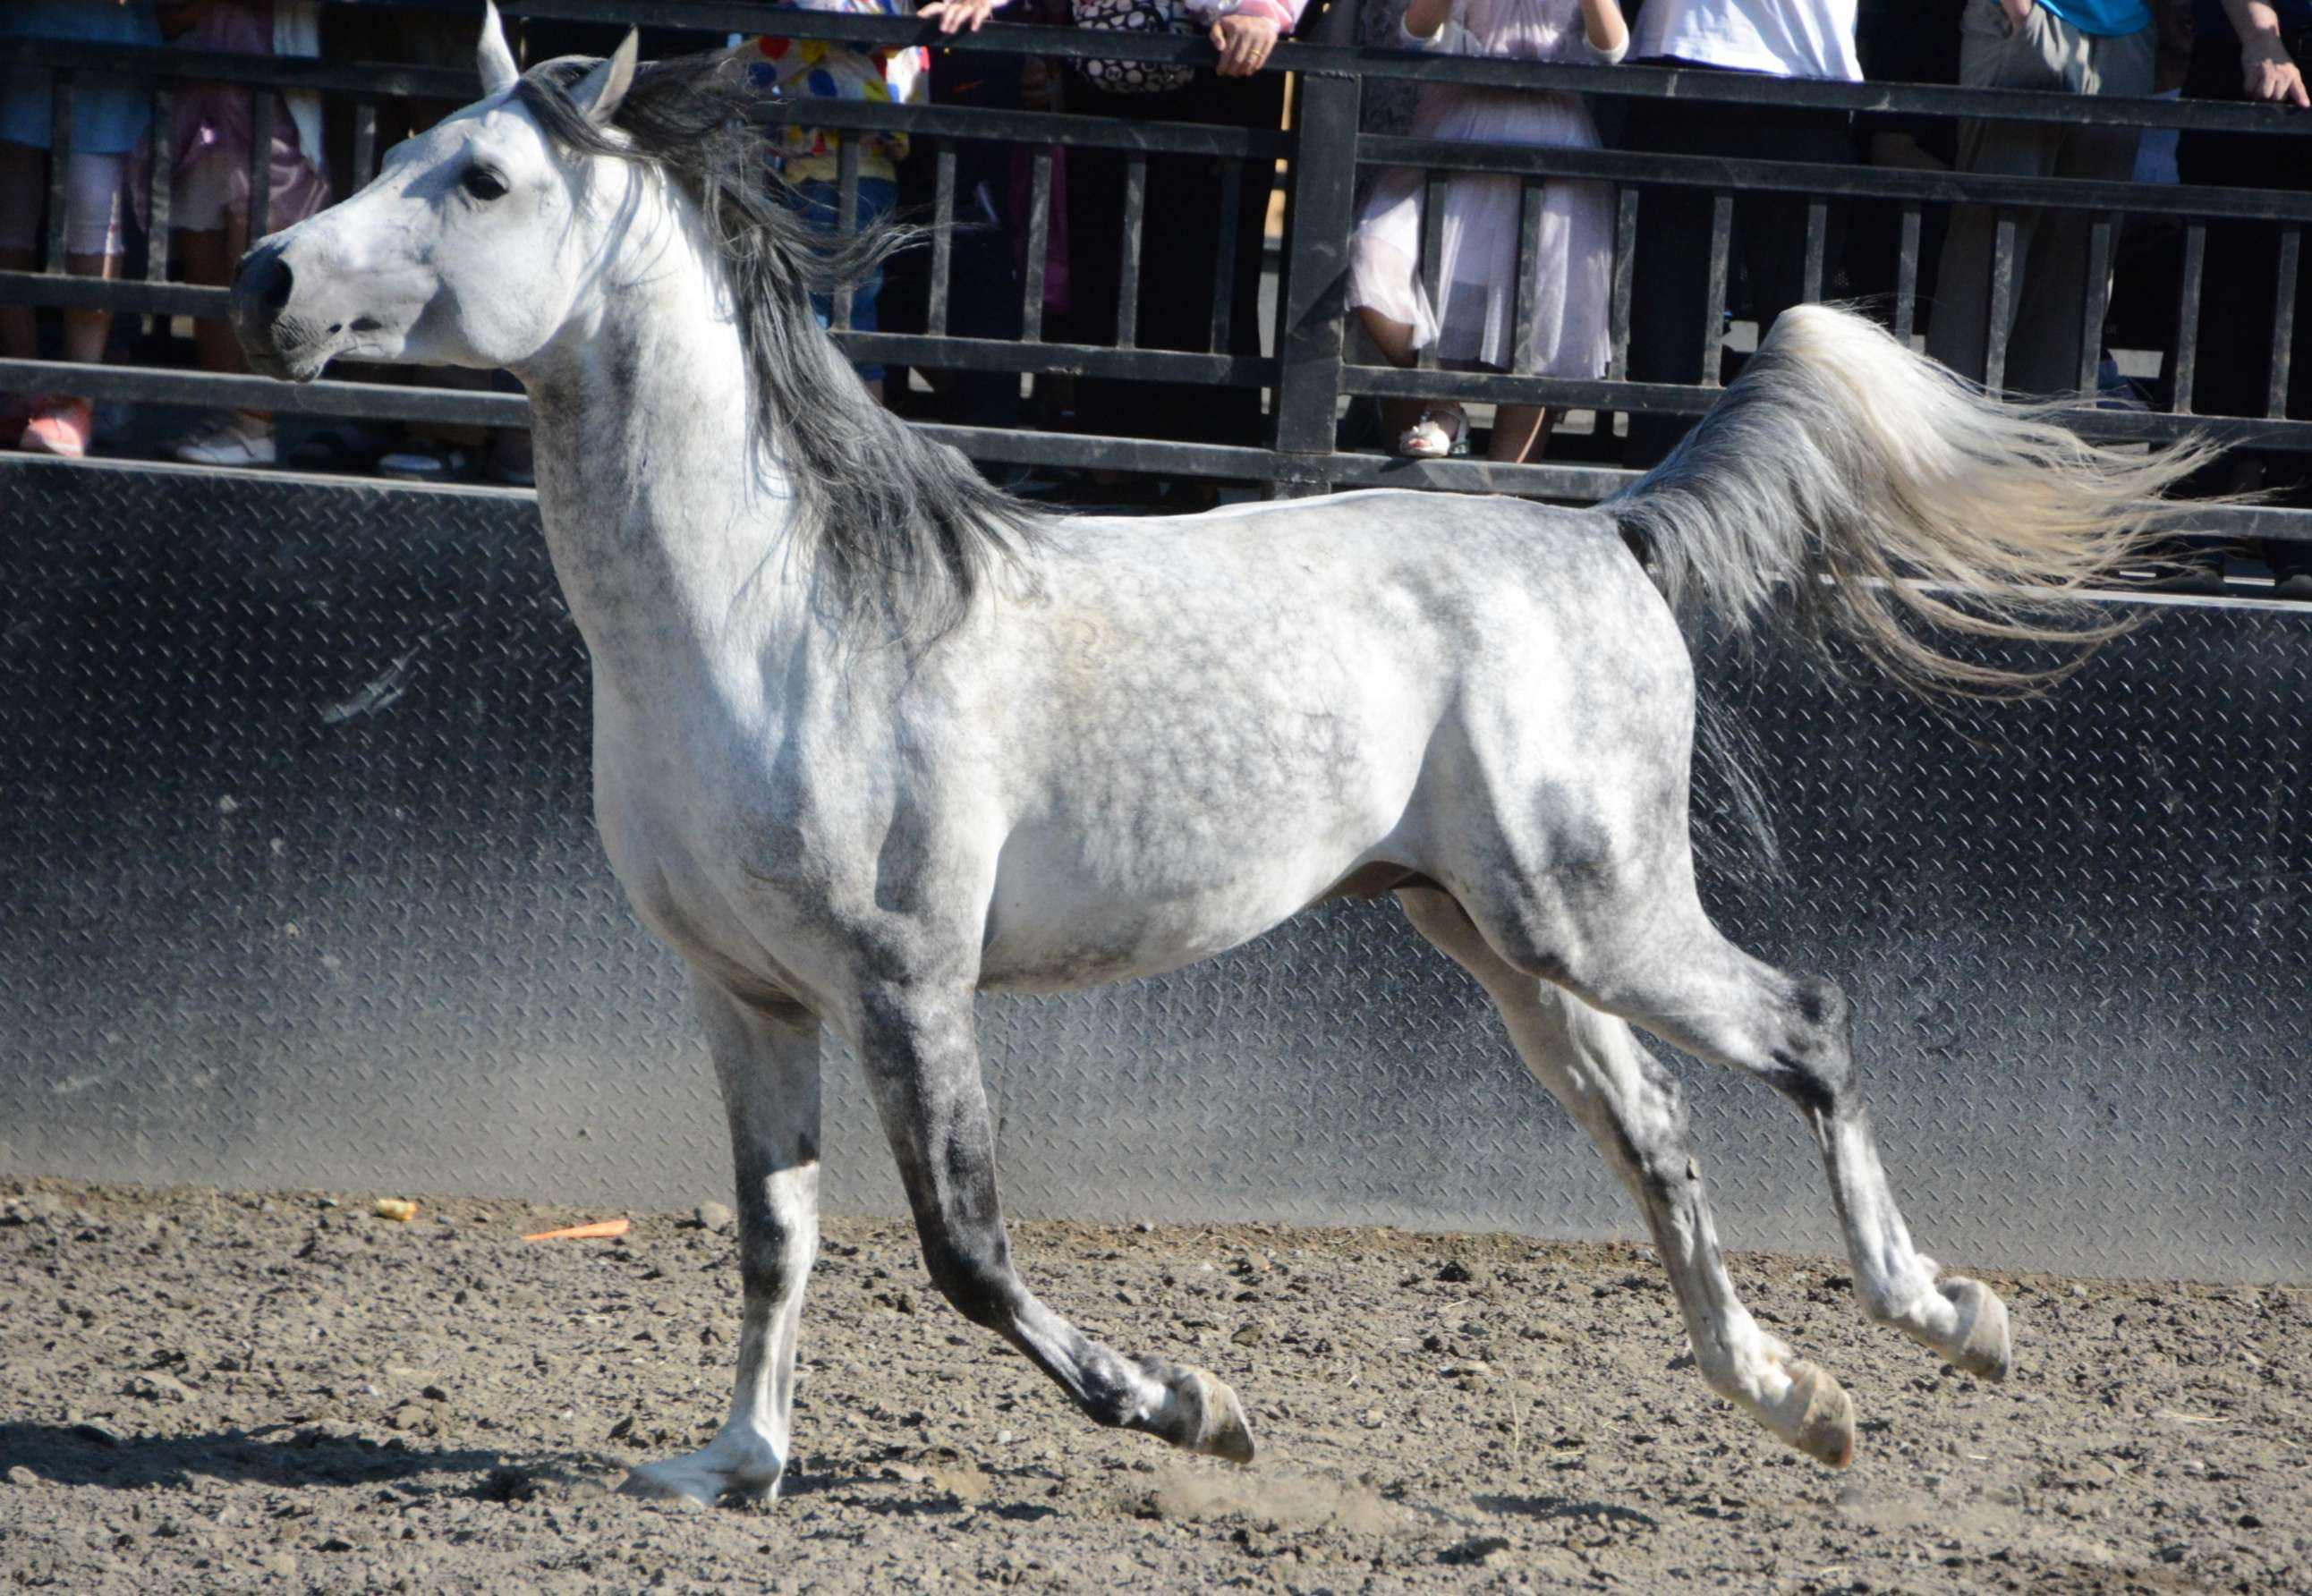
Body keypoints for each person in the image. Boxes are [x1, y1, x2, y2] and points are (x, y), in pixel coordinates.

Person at [1348, 0, 1630, 462]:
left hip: (1552, 137)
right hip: (1459, 129)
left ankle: (1505, 490)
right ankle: (1444, 399)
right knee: (1373, 256)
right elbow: (1416, 31)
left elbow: (1611, 47)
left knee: (1541, 317)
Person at [1055, 0, 1300, 496]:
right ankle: (1111, 465)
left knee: (1206, 269)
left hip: (1227, 56)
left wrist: (1262, 9)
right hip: (1109, 53)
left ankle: (1203, 472)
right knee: (1105, 259)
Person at [1618, 0, 1863, 469]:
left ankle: (1791, 483)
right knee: (1669, 318)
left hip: (1805, 72)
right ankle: (1660, 483)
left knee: (1798, 326)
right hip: (1687, 63)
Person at [741, 0, 999, 404]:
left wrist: (706, 76)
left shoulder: (860, 9)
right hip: (823, 164)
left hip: (847, 164)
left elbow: (800, 36)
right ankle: (846, 448)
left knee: (832, 316)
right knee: (836, 315)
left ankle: (843, 451)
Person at [1925, 0, 2157, 397]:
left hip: (2126, 27)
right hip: (2035, 19)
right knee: (1993, 244)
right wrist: (2022, 15)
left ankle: (2041, 444)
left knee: (2084, 252)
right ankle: (1952, 439)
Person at [150, 0, 332, 468]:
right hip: (201, 94)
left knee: (257, 255)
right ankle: (228, 412)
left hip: (272, 96)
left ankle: (257, 425)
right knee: (203, 251)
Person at [2174, 0, 2312, 597]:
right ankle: (2194, 533)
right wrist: (2260, 35)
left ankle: (2297, 536)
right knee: (2219, 303)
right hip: (2250, 59)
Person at [0, 0, 166, 459]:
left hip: (109, 38)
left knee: (92, 202)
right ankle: (22, 386)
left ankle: (79, 397)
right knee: (9, 210)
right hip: (22, 34)